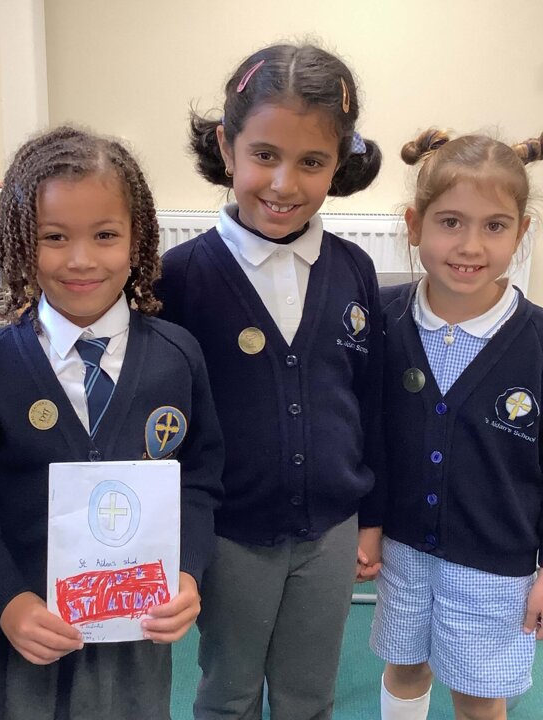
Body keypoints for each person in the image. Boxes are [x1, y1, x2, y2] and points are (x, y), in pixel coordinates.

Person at [155, 42, 384, 720]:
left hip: (331, 531)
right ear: (227, 148)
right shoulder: (180, 278)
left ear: (338, 163)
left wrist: (371, 519)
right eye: (264, 155)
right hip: (229, 534)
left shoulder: (354, 270)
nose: (284, 184)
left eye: (311, 162)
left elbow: (368, 401)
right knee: (228, 693)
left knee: (308, 695)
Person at [0, 126, 224, 720]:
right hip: (31, 637)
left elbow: (199, 479)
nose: (80, 259)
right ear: (21, 242)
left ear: (138, 241)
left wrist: (188, 572)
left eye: (105, 235)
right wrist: (6, 601)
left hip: (137, 638)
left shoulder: (177, 357)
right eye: (54, 237)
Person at [371, 129, 543, 720]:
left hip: (495, 566)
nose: (470, 245)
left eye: (495, 226)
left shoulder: (537, 341)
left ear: (521, 232)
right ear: (415, 225)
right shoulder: (381, 320)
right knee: (405, 668)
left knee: (476, 698)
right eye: (450, 222)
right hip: (401, 551)